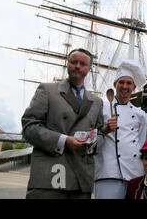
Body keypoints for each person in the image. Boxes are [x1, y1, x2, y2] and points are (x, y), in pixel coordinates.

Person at [22, 48, 104, 199]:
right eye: (74, 62)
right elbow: (29, 127)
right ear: (68, 64)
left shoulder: (97, 102)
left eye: (83, 63)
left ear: (89, 68)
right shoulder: (47, 90)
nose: (77, 66)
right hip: (50, 176)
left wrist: (92, 142)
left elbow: (99, 133)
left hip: (81, 179)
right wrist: (64, 141)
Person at [94, 59, 147, 199]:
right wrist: (105, 129)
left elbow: (141, 145)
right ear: (114, 85)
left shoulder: (140, 114)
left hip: (134, 173)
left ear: (134, 87)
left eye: (129, 83)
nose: (125, 86)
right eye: (121, 82)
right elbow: (91, 138)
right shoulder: (101, 108)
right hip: (107, 173)